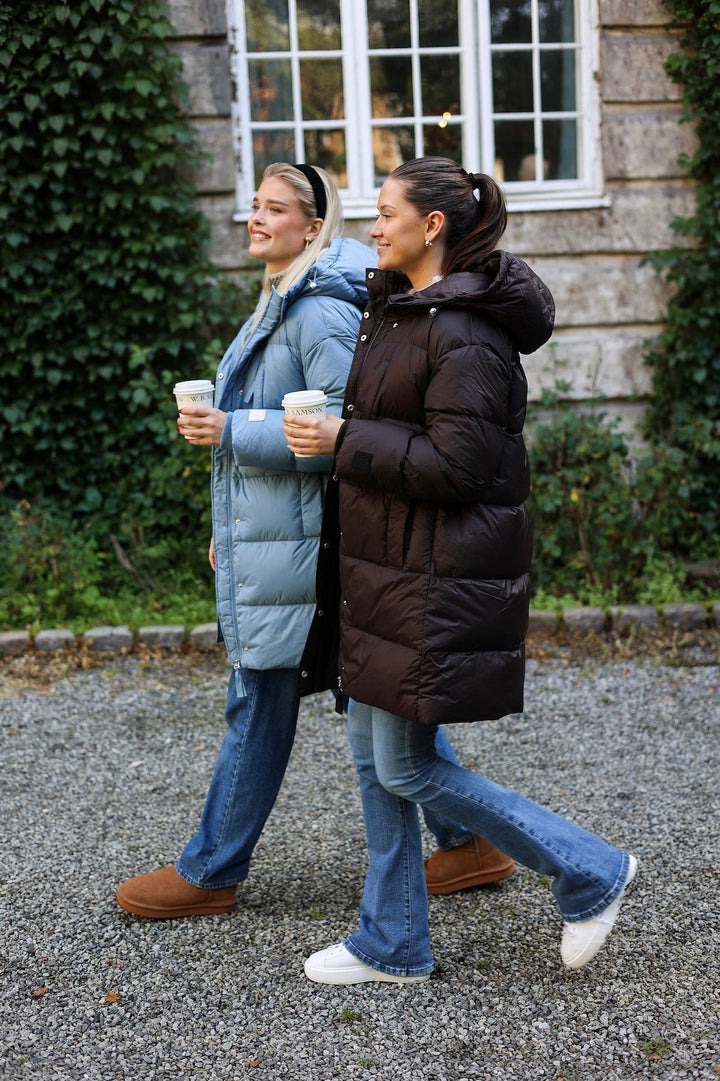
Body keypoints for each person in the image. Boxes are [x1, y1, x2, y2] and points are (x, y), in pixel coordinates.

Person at [116, 162, 512, 920]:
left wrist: (232, 428)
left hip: (311, 545)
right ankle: (469, 842)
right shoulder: (280, 297)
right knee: (371, 700)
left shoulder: (318, 308)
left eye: (276, 209)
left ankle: (212, 869)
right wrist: (227, 530)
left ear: (312, 223)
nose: (257, 219)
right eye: (255, 206)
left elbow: (343, 430)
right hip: (277, 538)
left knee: (265, 691)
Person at [284, 156, 638, 984]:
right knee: (374, 756)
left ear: (432, 225)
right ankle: (394, 940)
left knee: (404, 763)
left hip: (434, 573)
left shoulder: (468, 330)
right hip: (386, 564)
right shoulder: (399, 310)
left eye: (385, 212)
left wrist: (345, 442)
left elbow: (463, 465)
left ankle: (588, 868)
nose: (372, 227)